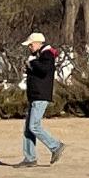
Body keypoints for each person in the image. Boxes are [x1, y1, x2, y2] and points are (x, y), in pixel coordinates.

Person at [19, 32, 65, 165]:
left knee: (34, 126)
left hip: (41, 95)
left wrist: (33, 63)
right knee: (28, 127)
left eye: (31, 44)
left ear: (39, 43)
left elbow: (44, 70)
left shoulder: (47, 54)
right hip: (35, 95)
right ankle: (30, 158)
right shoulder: (39, 56)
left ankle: (56, 146)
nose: (30, 47)